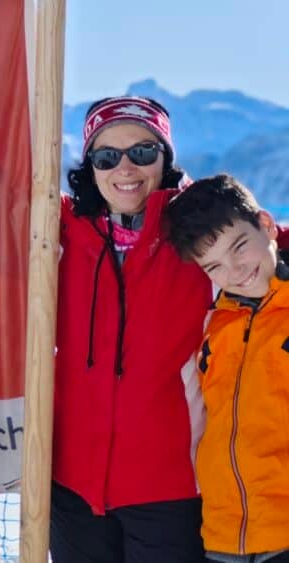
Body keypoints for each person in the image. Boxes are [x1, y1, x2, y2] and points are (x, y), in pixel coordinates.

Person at [49, 95, 289, 562]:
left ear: (165, 159)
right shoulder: (58, 227)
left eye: (142, 152)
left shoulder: (193, 234)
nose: (125, 168)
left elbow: (261, 239)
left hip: (169, 488)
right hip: (71, 486)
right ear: (90, 166)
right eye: (107, 155)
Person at [165, 174, 289, 563]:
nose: (234, 271)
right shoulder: (214, 326)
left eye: (239, 247)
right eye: (214, 266)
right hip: (223, 536)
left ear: (266, 225)